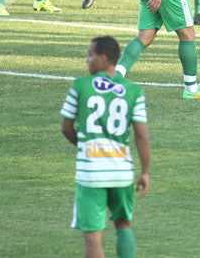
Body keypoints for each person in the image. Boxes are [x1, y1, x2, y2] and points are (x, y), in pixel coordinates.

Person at [60, 36, 150, 258]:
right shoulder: (133, 90)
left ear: (103, 58)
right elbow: (141, 135)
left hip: (91, 173)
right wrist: (146, 171)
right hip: (122, 172)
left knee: (93, 236)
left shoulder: (80, 86)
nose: (87, 59)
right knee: (123, 224)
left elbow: (66, 127)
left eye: (90, 54)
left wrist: (83, 145)